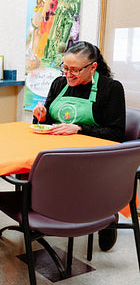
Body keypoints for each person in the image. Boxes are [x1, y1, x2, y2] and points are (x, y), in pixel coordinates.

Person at [32, 40, 126, 252]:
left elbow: (116, 134)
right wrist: (41, 117)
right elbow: (46, 124)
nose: (68, 74)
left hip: (94, 157)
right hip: (58, 152)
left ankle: (107, 215)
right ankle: (48, 215)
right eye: (65, 67)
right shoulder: (59, 83)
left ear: (92, 67)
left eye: (74, 70)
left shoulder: (110, 89)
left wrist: (80, 129)